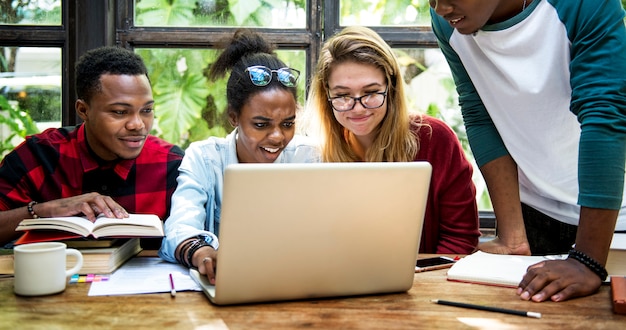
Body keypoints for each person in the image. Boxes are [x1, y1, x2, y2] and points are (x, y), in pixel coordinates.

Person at [430, 0, 626, 302]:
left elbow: (604, 116)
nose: (440, 8)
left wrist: (588, 259)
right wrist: (512, 237)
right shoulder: (450, 21)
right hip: (534, 214)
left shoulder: (585, 5)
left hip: (610, 221)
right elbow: (479, 112)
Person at [158, 29, 319, 284]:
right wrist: (201, 251)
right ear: (234, 117)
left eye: (288, 124)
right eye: (261, 124)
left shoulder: (309, 157)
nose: (277, 137)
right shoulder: (204, 158)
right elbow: (178, 229)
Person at [305, 26, 480, 254]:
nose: (358, 108)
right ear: (326, 94)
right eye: (342, 96)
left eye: (371, 92)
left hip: (425, 282)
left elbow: (461, 239)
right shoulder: (312, 153)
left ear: (392, 87)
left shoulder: (435, 138)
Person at [0, 46, 184, 247]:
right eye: (120, 112)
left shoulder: (171, 164)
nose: (138, 125)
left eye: (147, 110)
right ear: (83, 110)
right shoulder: (37, 155)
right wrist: (44, 210)